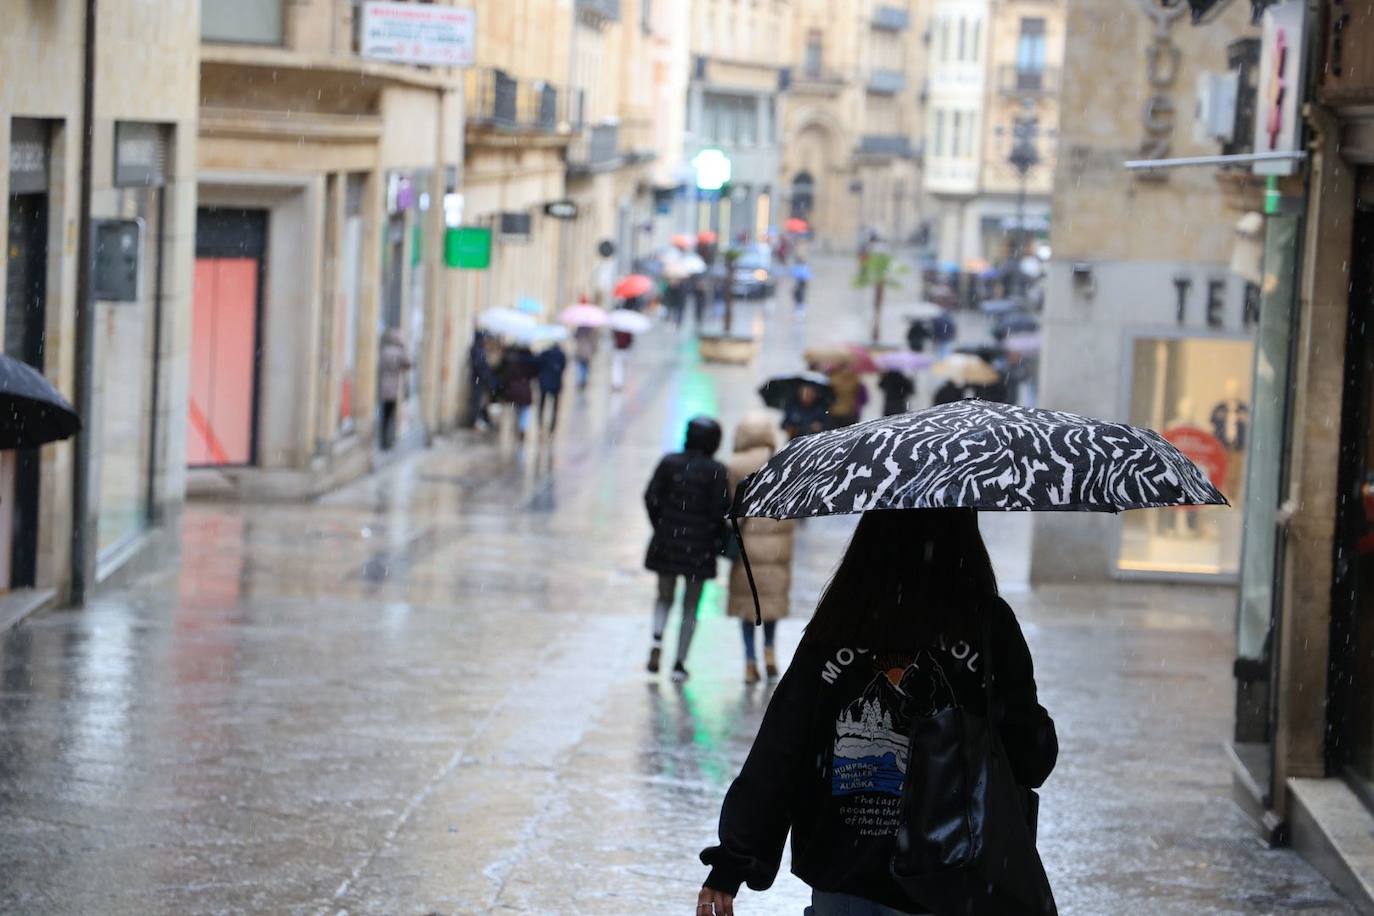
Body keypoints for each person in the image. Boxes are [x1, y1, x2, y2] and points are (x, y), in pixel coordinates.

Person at [697, 508, 1058, 916]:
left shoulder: (838, 624)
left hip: (847, 878)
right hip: (953, 876)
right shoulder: (988, 626)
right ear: (965, 532)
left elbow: (783, 748)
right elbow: (1032, 760)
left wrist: (735, 860)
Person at [643, 417, 731, 682]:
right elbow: (721, 511)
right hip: (699, 549)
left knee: (664, 597)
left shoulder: (669, 463)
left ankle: (657, 638)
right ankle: (680, 663)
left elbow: (650, 497)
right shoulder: (716, 470)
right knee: (691, 606)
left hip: (667, 543)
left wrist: (661, 524)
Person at [726, 414, 797, 684]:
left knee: (748, 605)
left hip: (748, 545)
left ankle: (749, 661)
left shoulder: (734, 465)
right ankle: (769, 650)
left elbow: (733, 509)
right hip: (778, 545)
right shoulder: (783, 461)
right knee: (771, 602)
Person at [377, 328, 411, 450]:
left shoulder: (384, 351)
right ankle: (388, 441)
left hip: (383, 386)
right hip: (393, 388)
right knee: (390, 414)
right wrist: (403, 348)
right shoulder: (398, 352)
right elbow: (407, 364)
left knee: (384, 415)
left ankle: (383, 440)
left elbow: (379, 367)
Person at [500, 344, 537, 435]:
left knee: (517, 408)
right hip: (525, 390)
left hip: (514, 390)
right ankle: (522, 427)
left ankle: (517, 426)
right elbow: (533, 374)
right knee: (524, 410)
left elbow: (506, 375)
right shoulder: (530, 363)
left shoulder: (513, 362)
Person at [467, 330, 498, 429]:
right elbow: (479, 365)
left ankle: (477, 419)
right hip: (478, 379)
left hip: (480, 379)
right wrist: (486, 373)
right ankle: (474, 421)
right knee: (476, 400)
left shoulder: (480, 349)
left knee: (479, 400)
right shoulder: (478, 350)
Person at [535, 342, 568, 432]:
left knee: (542, 403)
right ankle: (552, 424)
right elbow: (563, 367)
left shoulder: (544, 353)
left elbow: (538, 364)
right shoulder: (561, 355)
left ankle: (540, 421)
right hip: (555, 382)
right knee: (554, 405)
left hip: (544, 381)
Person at [827, 363, 867, 428]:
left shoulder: (832, 378)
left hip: (835, 412)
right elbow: (864, 399)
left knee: (836, 435)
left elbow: (827, 396)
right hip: (851, 412)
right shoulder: (855, 379)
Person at [574, 325, 598, 390]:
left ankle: (581, 380)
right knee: (584, 366)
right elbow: (594, 341)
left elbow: (575, 337)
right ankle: (583, 380)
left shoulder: (579, 329)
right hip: (587, 351)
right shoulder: (591, 329)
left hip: (581, 350)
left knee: (581, 366)